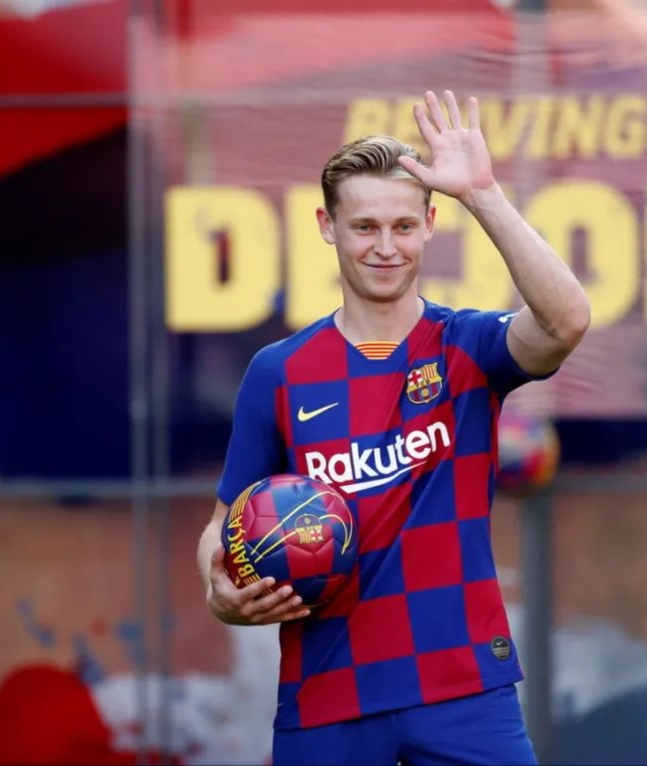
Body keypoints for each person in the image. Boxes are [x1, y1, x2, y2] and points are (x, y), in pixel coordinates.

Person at [197, 89, 590, 766]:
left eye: (404, 226)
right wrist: (221, 588)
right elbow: (224, 522)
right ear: (327, 225)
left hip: (464, 689)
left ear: (431, 224)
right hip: (327, 697)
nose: (385, 247)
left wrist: (483, 194)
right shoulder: (278, 372)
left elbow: (566, 322)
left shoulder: (467, 346)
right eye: (365, 227)